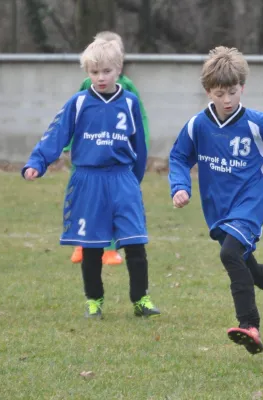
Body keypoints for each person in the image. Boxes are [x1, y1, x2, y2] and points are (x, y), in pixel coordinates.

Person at [168, 46, 263, 354]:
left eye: (233, 92)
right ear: (208, 92)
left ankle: (249, 325)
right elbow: (179, 156)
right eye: (220, 93)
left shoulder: (258, 123)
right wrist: (180, 186)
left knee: (230, 254)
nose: (228, 100)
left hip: (252, 197)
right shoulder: (197, 125)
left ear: (242, 87)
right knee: (249, 268)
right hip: (218, 206)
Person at [22, 38, 160, 319]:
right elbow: (57, 133)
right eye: (94, 72)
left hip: (122, 179)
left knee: (135, 241)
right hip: (88, 179)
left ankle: (141, 299)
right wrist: (38, 161)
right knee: (92, 246)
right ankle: (94, 301)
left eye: (106, 71)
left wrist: (134, 179)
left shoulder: (130, 102)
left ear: (119, 69)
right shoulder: (79, 102)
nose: (100, 77)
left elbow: (140, 145)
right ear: (88, 72)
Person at [67, 31, 151, 266]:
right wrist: (70, 143)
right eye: (96, 70)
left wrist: (141, 146)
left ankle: (111, 249)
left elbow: (140, 119)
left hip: (116, 162)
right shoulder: (87, 87)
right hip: (88, 159)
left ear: (119, 62)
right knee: (84, 201)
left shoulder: (128, 90)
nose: (101, 75)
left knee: (116, 206)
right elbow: (75, 118)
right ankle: (81, 244)